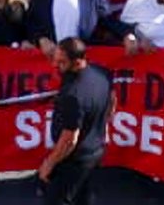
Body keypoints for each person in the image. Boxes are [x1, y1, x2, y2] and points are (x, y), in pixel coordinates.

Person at [37, 38, 113, 205]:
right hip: (96, 152)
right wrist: (101, 123)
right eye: (54, 59)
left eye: (61, 62)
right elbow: (112, 99)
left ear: (78, 62)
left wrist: (48, 164)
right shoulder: (103, 73)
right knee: (84, 198)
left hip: (73, 161)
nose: (55, 66)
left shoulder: (73, 95)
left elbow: (69, 140)